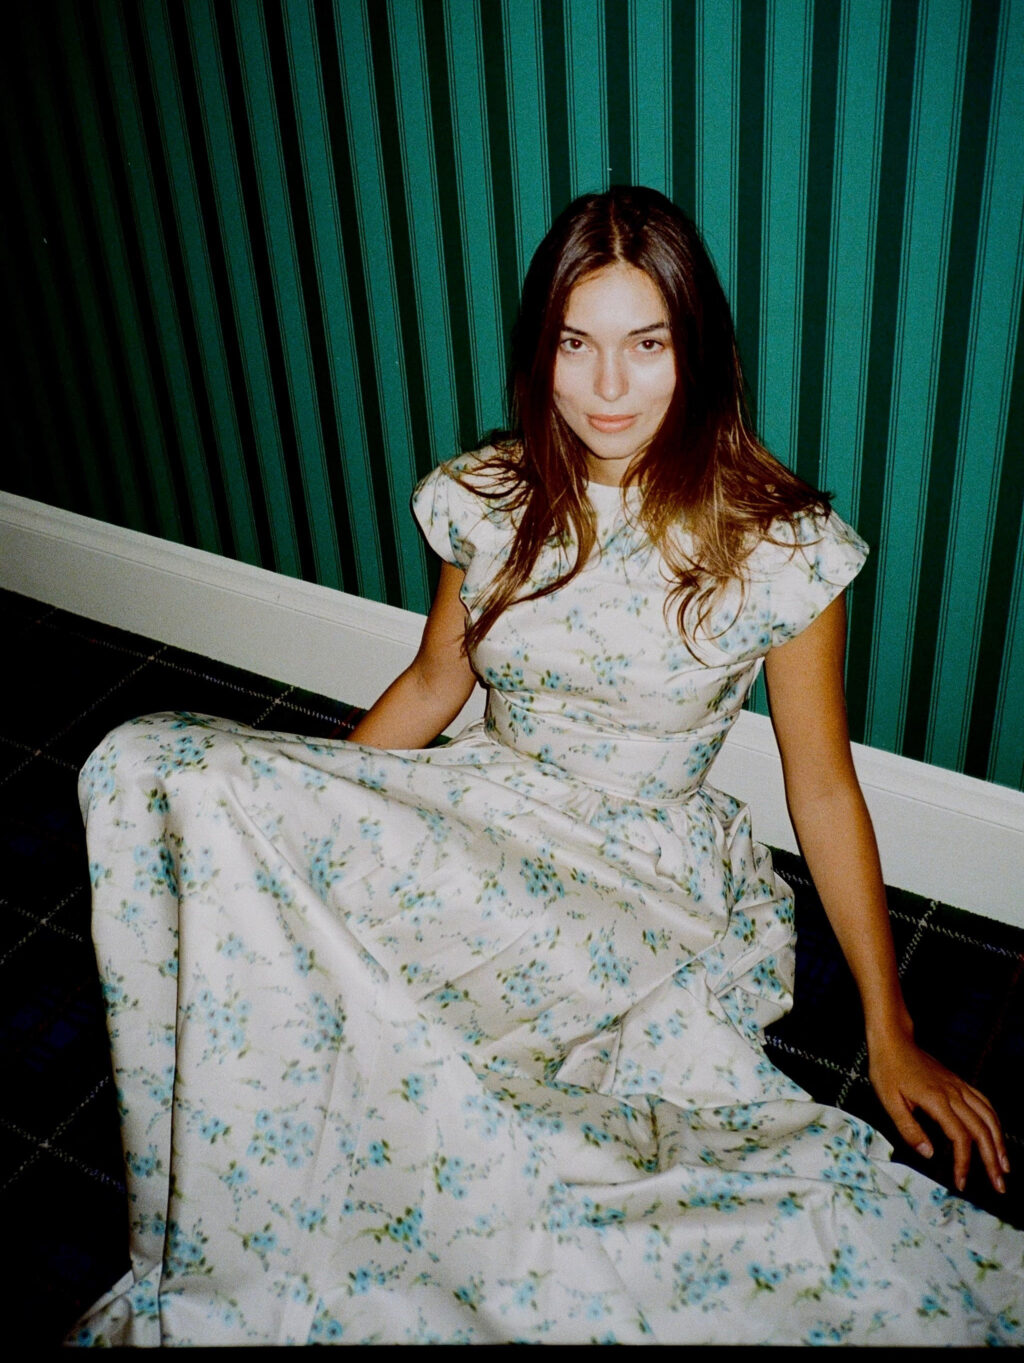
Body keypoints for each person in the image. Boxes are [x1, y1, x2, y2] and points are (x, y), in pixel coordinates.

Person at [71, 186, 1021, 1347]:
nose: (606, 387)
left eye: (646, 345)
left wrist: (887, 1023)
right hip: (490, 801)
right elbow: (436, 680)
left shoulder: (777, 546)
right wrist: (321, 812)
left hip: (630, 875)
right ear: (542, 350)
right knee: (149, 767)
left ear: (698, 350)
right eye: (576, 344)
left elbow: (821, 786)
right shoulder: (491, 497)